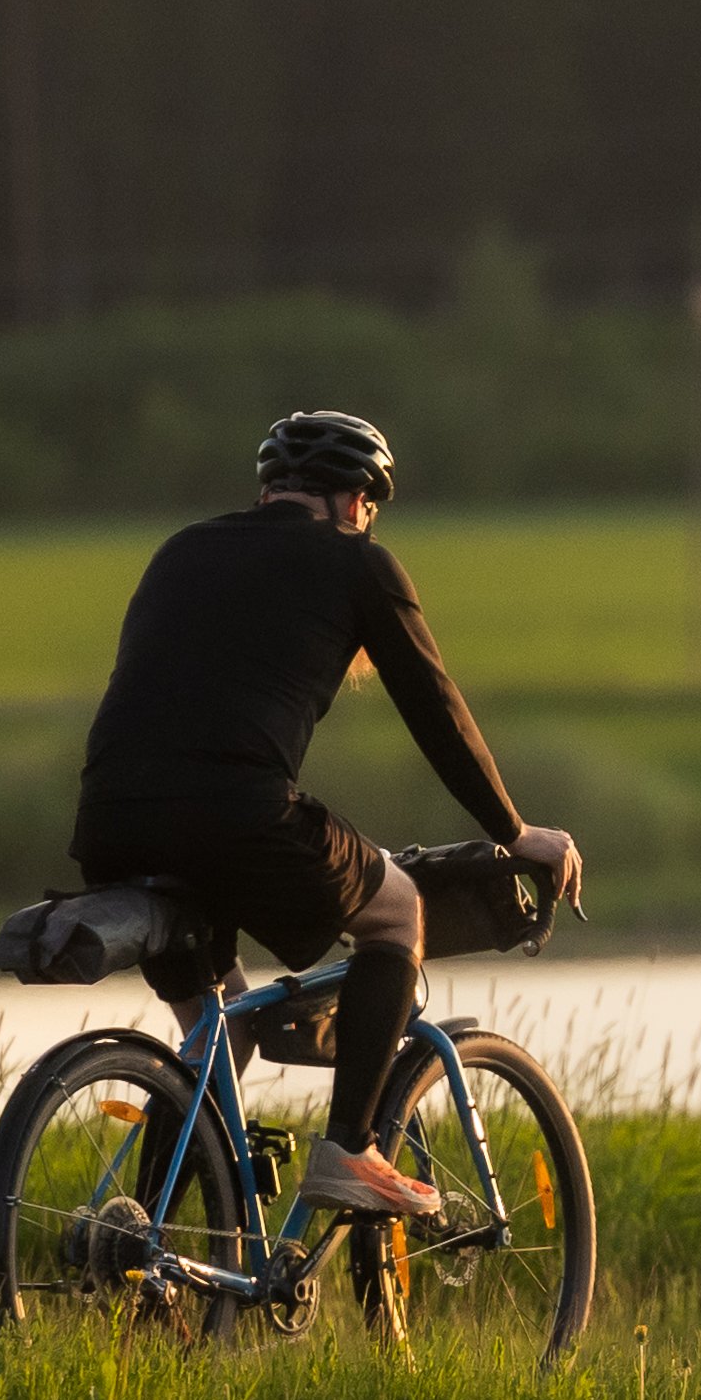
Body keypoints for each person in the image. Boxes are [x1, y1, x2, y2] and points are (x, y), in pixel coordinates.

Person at [71, 407, 578, 1226]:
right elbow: (436, 711)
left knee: (220, 1032)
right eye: (370, 507)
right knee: (397, 909)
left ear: (271, 489)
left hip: (110, 821)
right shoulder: (357, 563)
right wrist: (514, 832)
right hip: (236, 814)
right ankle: (350, 1151)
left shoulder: (181, 550)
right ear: (353, 501)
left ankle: (147, 1242)